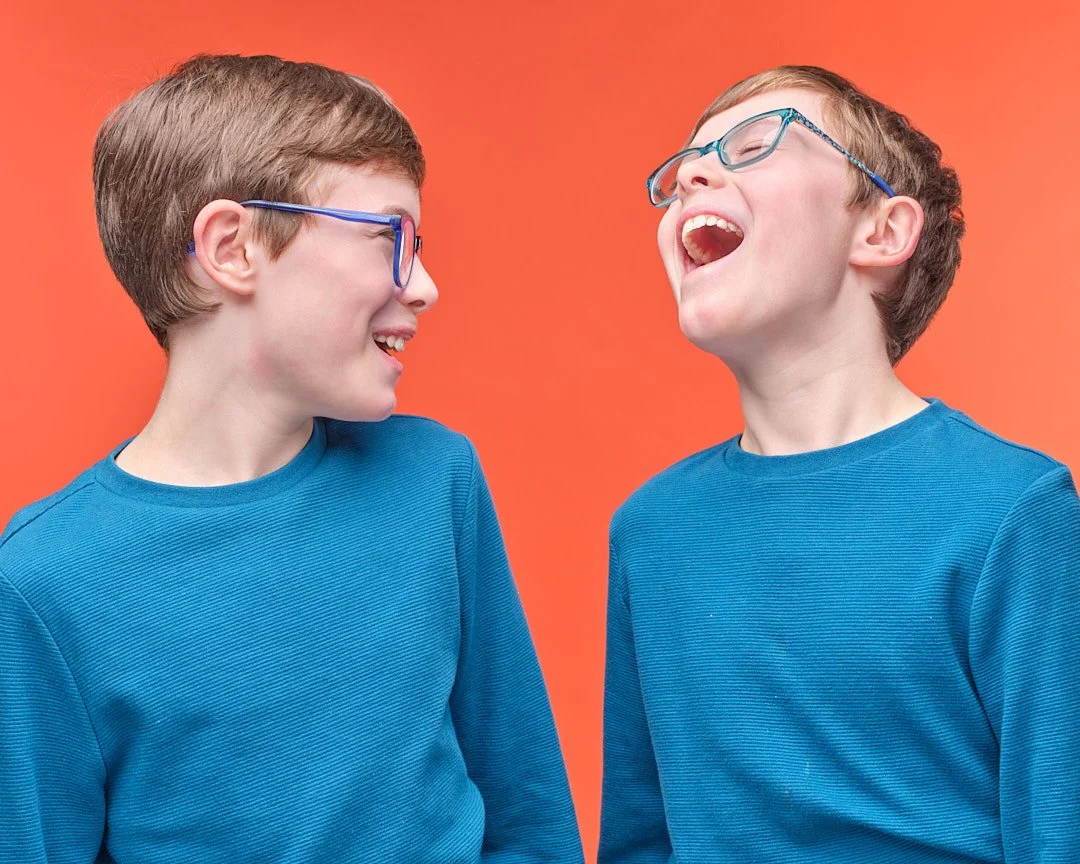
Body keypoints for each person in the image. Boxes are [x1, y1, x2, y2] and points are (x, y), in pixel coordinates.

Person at [0, 53, 583, 864]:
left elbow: (531, 818)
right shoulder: (42, 584)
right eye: (390, 236)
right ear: (233, 247)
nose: (424, 286)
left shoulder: (433, 480)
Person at [599, 65, 1080, 863]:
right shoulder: (650, 532)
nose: (689, 177)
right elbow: (641, 840)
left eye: (754, 145)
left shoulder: (1014, 510)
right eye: (681, 170)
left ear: (882, 233)